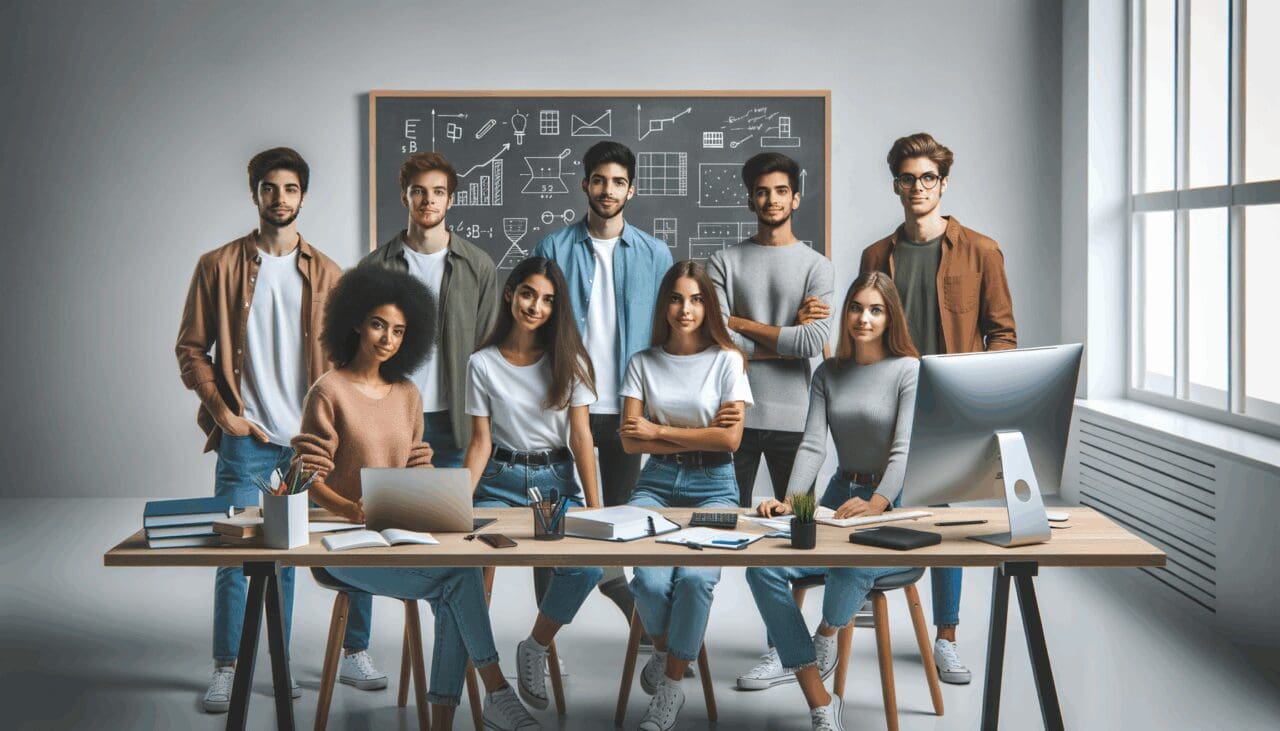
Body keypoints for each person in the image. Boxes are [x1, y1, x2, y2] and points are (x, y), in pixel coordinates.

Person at [291, 266, 540, 731]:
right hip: (345, 544)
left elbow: (416, 467)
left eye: (400, 331)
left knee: (458, 579)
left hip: (401, 536)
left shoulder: (407, 394)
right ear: (356, 323)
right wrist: (348, 508)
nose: (388, 338)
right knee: (460, 582)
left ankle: (459, 712)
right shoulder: (328, 391)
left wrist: (435, 497)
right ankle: (495, 695)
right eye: (379, 324)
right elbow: (309, 478)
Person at [174, 146, 342, 713]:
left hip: (302, 444)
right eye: (270, 188)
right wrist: (225, 417)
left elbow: (343, 362)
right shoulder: (217, 265)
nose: (280, 199)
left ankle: (277, 660)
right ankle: (227, 666)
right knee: (234, 557)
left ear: (303, 196)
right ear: (255, 194)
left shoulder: (328, 274)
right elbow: (191, 349)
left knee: (287, 556)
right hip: (247, 441)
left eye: (290, 189)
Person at [858, 132, 1018, 684]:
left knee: (949, 525)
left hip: (951, 409)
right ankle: (855, 604)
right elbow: (866, 333)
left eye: (928, 177)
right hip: (889, 403)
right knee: (878, 505)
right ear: (896, 185)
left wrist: (979, 395)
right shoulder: (877, 255)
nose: (918, 187)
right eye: (908, 178)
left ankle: (945, 637)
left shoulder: (981, 250)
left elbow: (1002, 335)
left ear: (943, 184)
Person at [745, 272, 921, 731]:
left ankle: (825, 636)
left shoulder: (908, 370)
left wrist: (879, 501)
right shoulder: (828, 372)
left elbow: (904, 450)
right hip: (838, 494)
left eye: (876, 310)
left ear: (890, 317)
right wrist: (791, 501)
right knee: (762, 566)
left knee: (853, 560)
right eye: (857, 308)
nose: (864, 318)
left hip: (891, 500)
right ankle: (815, 683)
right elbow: (812, 446)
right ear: (845, 314)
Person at [530, 140, 673, 625]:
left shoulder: (656, 253)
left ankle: (649, 631)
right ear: (584, 183)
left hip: (629, 410)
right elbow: (534, 323)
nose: (607, 190)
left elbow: (671, 329)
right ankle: (544, 646)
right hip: (565, 408)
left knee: (616, 524)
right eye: (599, 180)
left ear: (631, 189)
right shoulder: (553, 247)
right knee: (551, 527)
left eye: (617, 182)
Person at [461, 256, 604, 711]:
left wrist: (597, 510)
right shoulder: (481, 363)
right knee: (466, 570)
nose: (535, 306)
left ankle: (535, 646)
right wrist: (456, 505)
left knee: (588, 565)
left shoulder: (570, 359)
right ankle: (485, 676)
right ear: (510, 294)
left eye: (547, 300)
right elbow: (480, 443)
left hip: (555, 482)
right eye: (527, 294)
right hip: (499, 479)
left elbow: (582, 437)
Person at [619, 260, 753, 731]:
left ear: (708, 305)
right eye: (676, 298)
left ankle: (670, 686)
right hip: (655, 483)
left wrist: (659, 429)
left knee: (696, 580)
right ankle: (666, 648)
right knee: (650, 580)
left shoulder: (727, 360)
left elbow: (729, 443)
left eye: (696, 299)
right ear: (664, 304)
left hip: (715, 485)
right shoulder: (642, 362)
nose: (685, 308)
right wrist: (697, 433)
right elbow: (630, 442)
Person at [707, 152, 833, 508]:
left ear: (795, 198)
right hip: (733, 413)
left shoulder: (818, 268)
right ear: (750, 200)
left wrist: (740, 322)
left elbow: (811, 342)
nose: (772, 199)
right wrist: (783, 341)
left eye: (781, 191)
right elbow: (716, 337)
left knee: (799, 523)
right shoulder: (723, 262)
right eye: (762, 192)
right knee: (728, 520)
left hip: (795, 417)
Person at [360, 151, 498, 470]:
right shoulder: (374, 267)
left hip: (457, 423)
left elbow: (488, 349)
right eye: (418, 191)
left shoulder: (478, 266)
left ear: (450, 200)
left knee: (449, 518)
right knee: (390, 515)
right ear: (404, 197)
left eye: (438, 192)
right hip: (389, 416)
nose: (428, 200)